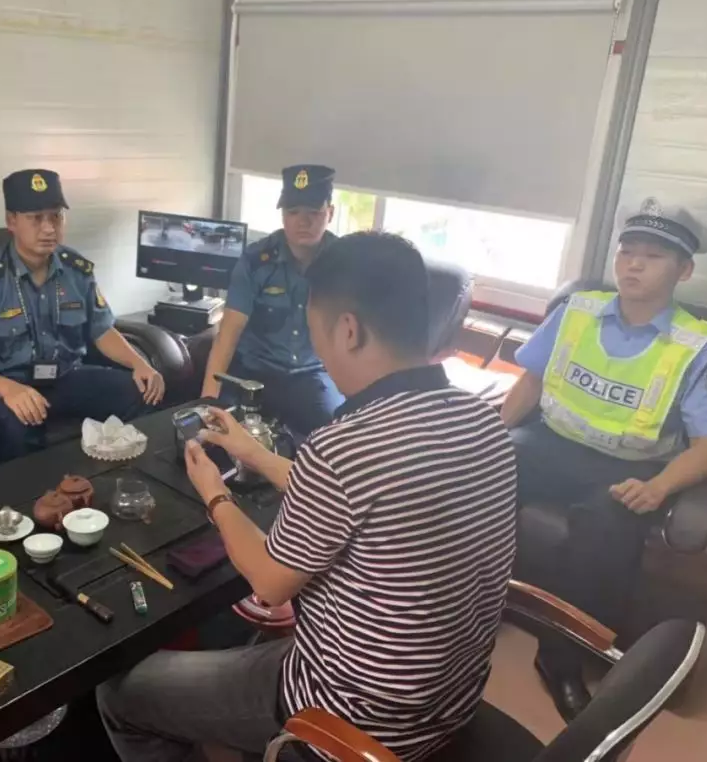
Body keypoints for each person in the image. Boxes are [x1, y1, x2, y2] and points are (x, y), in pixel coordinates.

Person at [98, 233, 518, 762]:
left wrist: (215, 495)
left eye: (315, 330)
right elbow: (370, 496)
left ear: (348, 330)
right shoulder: (483, 419)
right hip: (449, 701)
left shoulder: (344, 447)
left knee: (119, 693)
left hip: (348, 717)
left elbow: (269, 583)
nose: (317, 348)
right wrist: (256, 455)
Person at [500, 198, 707, 720]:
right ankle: (470, 602)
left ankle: (560, 661)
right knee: (480, 474)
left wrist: (659, 487)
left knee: (604, 530)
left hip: (627, 469)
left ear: (684, 270)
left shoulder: (698, 347)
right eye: (627, 252)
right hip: (551, 442)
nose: (633, 265)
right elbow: (531, 383)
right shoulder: (577, 310)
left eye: (652, 256)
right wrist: (490, 435)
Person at [0, 169, 165, 465]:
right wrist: (9, 389)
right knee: (14, 425)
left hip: (66, 376)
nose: (49, 228)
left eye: (56, 217)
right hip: (7, 385)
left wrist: (140, 364)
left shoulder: (76, 270)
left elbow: (102, 330)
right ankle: (32, 493)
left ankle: (127, 479)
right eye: (36, 218)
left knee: (142, 392)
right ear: (11, 221)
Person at [200, 164, 343, 438]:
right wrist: (207, 401)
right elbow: (228, 335)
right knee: (221, 433)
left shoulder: (344, 263)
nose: (303, 221)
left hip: (311, 375)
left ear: (331, 213)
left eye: (313, 212)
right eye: (293, 212)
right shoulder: (256, 261)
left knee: (332, 438)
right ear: (282, 215)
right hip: (254, 371)